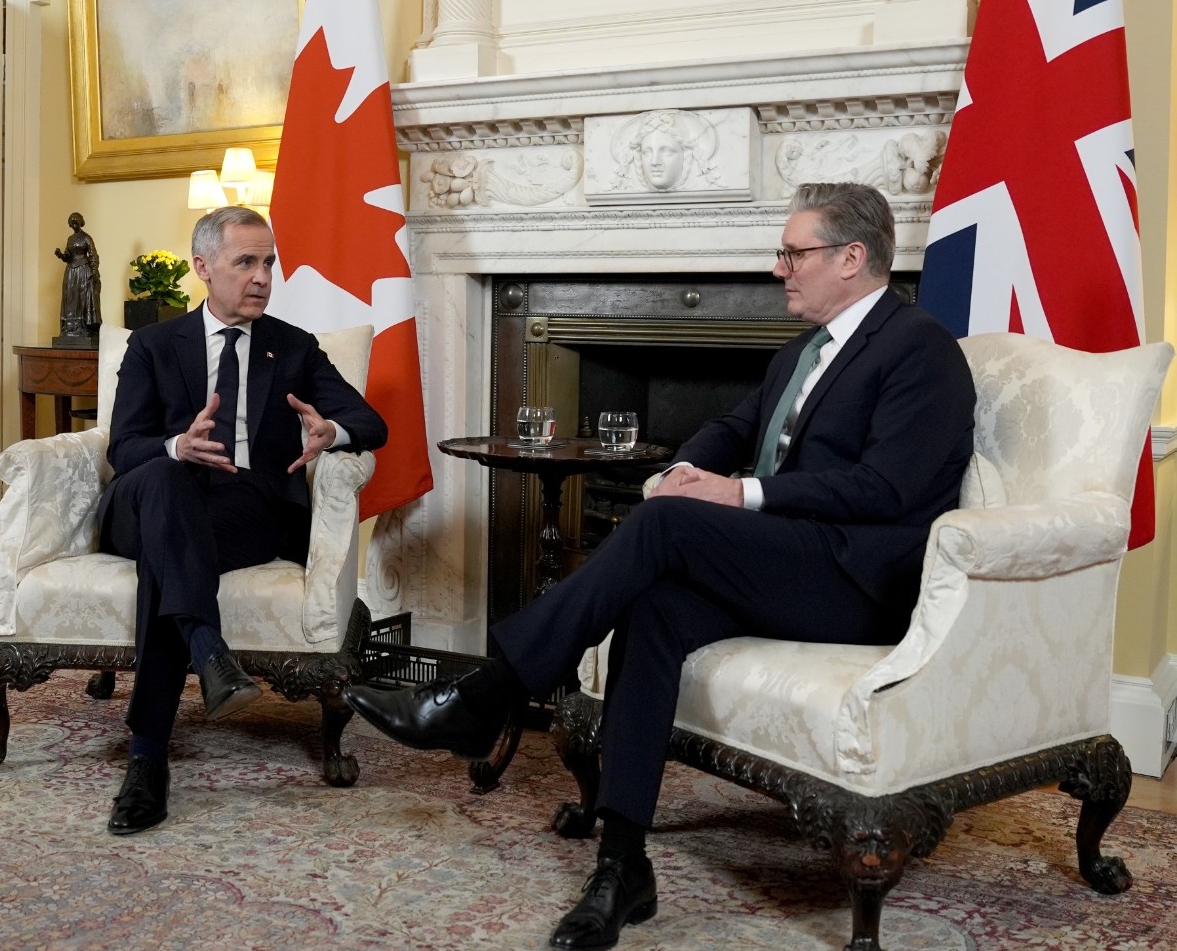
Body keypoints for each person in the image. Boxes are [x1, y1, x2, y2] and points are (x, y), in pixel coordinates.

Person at [345, 182, 976, 950]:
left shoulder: (921, 348)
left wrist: (736, 492)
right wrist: (685, 469)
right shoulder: (800, 354)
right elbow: (727, 426)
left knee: (670, 527)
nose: (780, 269)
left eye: (793, 252)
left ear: (852, 258)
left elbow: (889, 488)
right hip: (785, 567)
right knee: (655, 607)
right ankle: (621, 865)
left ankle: (493, 690)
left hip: (858, 580)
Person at [101, 205, 387, 835]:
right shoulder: (151, 344)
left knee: (169, 559)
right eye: (246, 262)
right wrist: (177, 446)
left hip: (244, 512)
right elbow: (124, 448)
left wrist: (329, 431)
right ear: (204, 267)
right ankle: (207, 649)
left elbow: (372, 423)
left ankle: (148, 758)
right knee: (164, 478)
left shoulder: (294, 348)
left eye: (269, 263)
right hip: (148, 499)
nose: (262, 277)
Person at [54, 212, 102, 341]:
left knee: (82, 298)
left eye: (76, 222)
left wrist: (93, 270)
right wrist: (60, 255)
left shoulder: (86, 238)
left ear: (81, 223)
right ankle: (70, 328)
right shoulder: (70, 239)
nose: (74, 225)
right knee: (70, 298)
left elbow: (93, 255)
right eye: (72, 222)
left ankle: (84, 327)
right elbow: (68, 256)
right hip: (71, 271)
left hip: (83, 270)